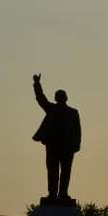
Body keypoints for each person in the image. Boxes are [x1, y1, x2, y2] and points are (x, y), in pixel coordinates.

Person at [32, 73, 82, 203]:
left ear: (65, 98)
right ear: (56, 98)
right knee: (52, 171)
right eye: (57, 97)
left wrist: (76, 145)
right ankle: (53, 193)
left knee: (65, 172)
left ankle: (63, 193)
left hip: (67, 147)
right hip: (53, 145)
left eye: (61, 96)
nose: (59, 99)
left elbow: (77, 130)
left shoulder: (73, 112)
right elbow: (41, 99)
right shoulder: (51, 109)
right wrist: (37, 84)